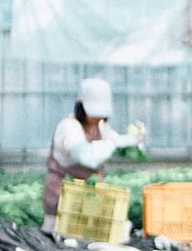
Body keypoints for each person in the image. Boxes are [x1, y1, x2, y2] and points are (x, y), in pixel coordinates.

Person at [43, 76, 140, 231]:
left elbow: (114, 141)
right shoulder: (69, 127)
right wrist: (114, 143)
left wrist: (133, 140)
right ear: (81, 108)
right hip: (62, 200)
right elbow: (86, 157)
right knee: (57, 239)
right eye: (93, 113)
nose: (97, 118)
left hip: (86, 202)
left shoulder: (100, 127)